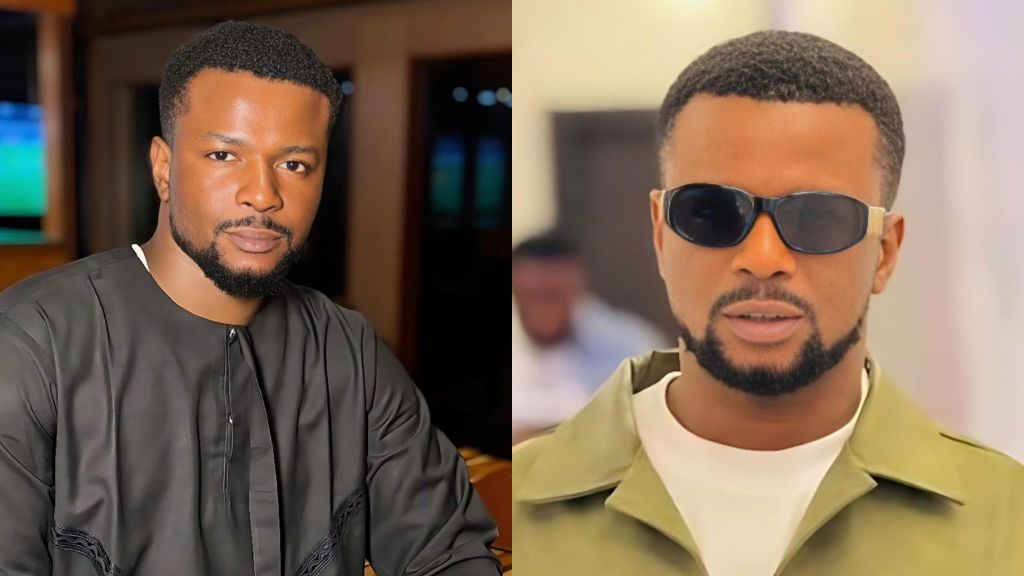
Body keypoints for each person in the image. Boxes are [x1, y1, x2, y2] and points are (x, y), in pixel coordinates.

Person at [513, 30, 1024, 575]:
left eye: (819, 216)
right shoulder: (502, 509)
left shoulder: (1005, 522)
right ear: (662, 235)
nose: (761, 257)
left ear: (885, 253)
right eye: (711, 211)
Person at [0, 21, 499, 575]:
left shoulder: (350, 350)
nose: (263, 194)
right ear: (164, 168)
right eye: (223, 155)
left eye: (294, 164)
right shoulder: (32, 346)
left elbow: (446, 552)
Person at [511, 233, 666, 444]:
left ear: (579, 285)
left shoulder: (630, 345)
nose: (544, 307)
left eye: (553, 294)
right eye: (534, 296)